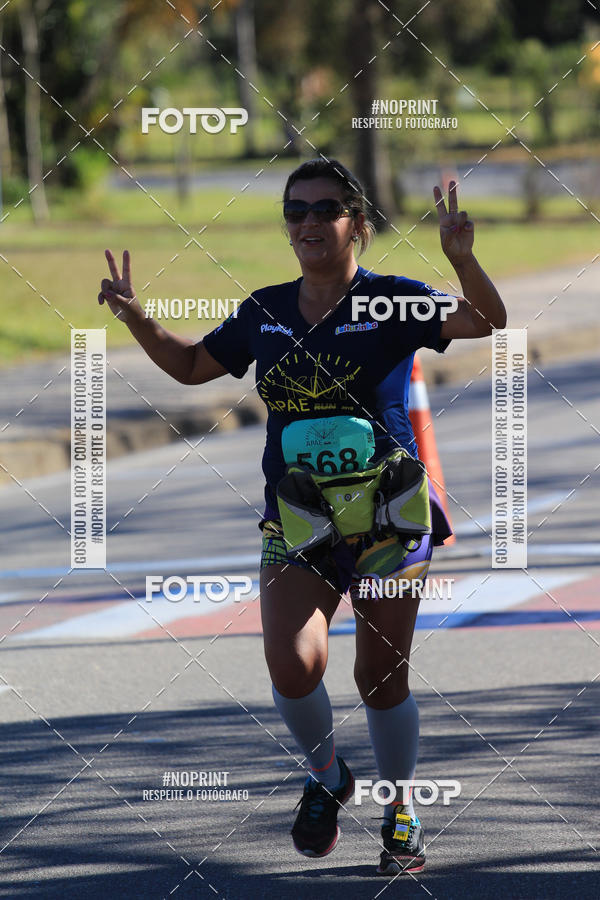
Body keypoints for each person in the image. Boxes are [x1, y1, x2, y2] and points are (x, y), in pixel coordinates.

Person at [98, 158, 506, 875]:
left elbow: (485, 321)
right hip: (298, 522)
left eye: (325, 210)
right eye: (296, 211)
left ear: (358, 223)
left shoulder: (391, 301)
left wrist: (463, 261)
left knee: (381, 677)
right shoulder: (265, 310)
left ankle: (401, 807)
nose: (309, 223)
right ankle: (327, 777)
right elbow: (194, 368)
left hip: (387, 519)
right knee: (292, 666)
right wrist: (136, 315)